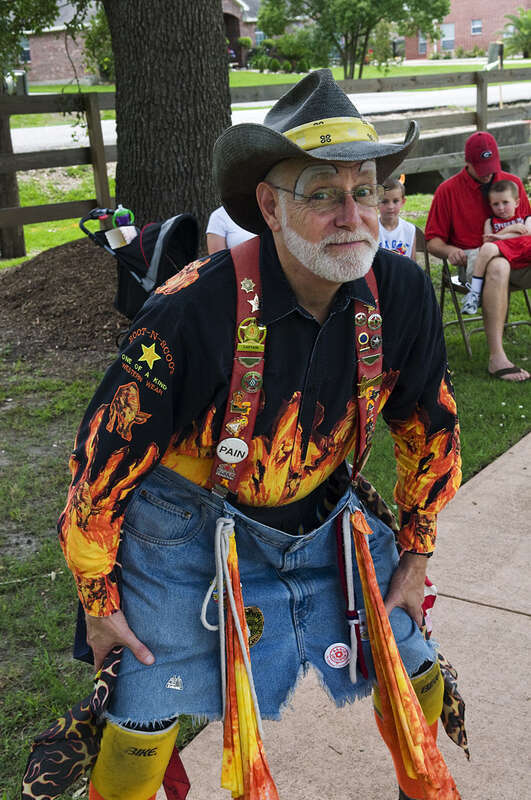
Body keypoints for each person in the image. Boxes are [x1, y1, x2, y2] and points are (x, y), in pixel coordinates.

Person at [57, 70, 462, 800]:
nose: (352, 215)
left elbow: (428, 430)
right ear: (270, 208)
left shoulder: (398, 293)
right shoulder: (189, 312)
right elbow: (102, 463)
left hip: (323, 520)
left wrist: (414, 554)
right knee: (143, 716)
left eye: (363, 190)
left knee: (415, 670)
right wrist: (96, 595)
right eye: (322, 193)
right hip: (183, 532)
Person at [425, 130, 531, 382]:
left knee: (503, 261)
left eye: (490, 165)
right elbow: (432, 241)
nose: (487, 173)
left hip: (519, 251)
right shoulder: (447, 191)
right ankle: (497, 358)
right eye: (480, 167)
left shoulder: (512, 184)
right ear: (467, 162)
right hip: (476, 259)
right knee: (498, 266)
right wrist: (450, 251)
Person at [461, 179, 531, 315]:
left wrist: (499, 237)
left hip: (523, 253)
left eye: (505, 202)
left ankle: (475, 291)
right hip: (502, 255)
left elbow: (527, 234)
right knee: (486, 248)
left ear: (516, 202)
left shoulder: (526, 218)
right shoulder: (490, 222)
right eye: (495, 204)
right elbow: (488, 240)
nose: (500, 207)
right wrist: (509, 230)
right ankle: (474, 293)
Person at [378, 177, 416, 259]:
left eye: (395, 201)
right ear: (376, 202)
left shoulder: (410, 230)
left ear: (403, 202)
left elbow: (412, 263)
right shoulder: (371, 228)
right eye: (385, 201)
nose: (390, 206)